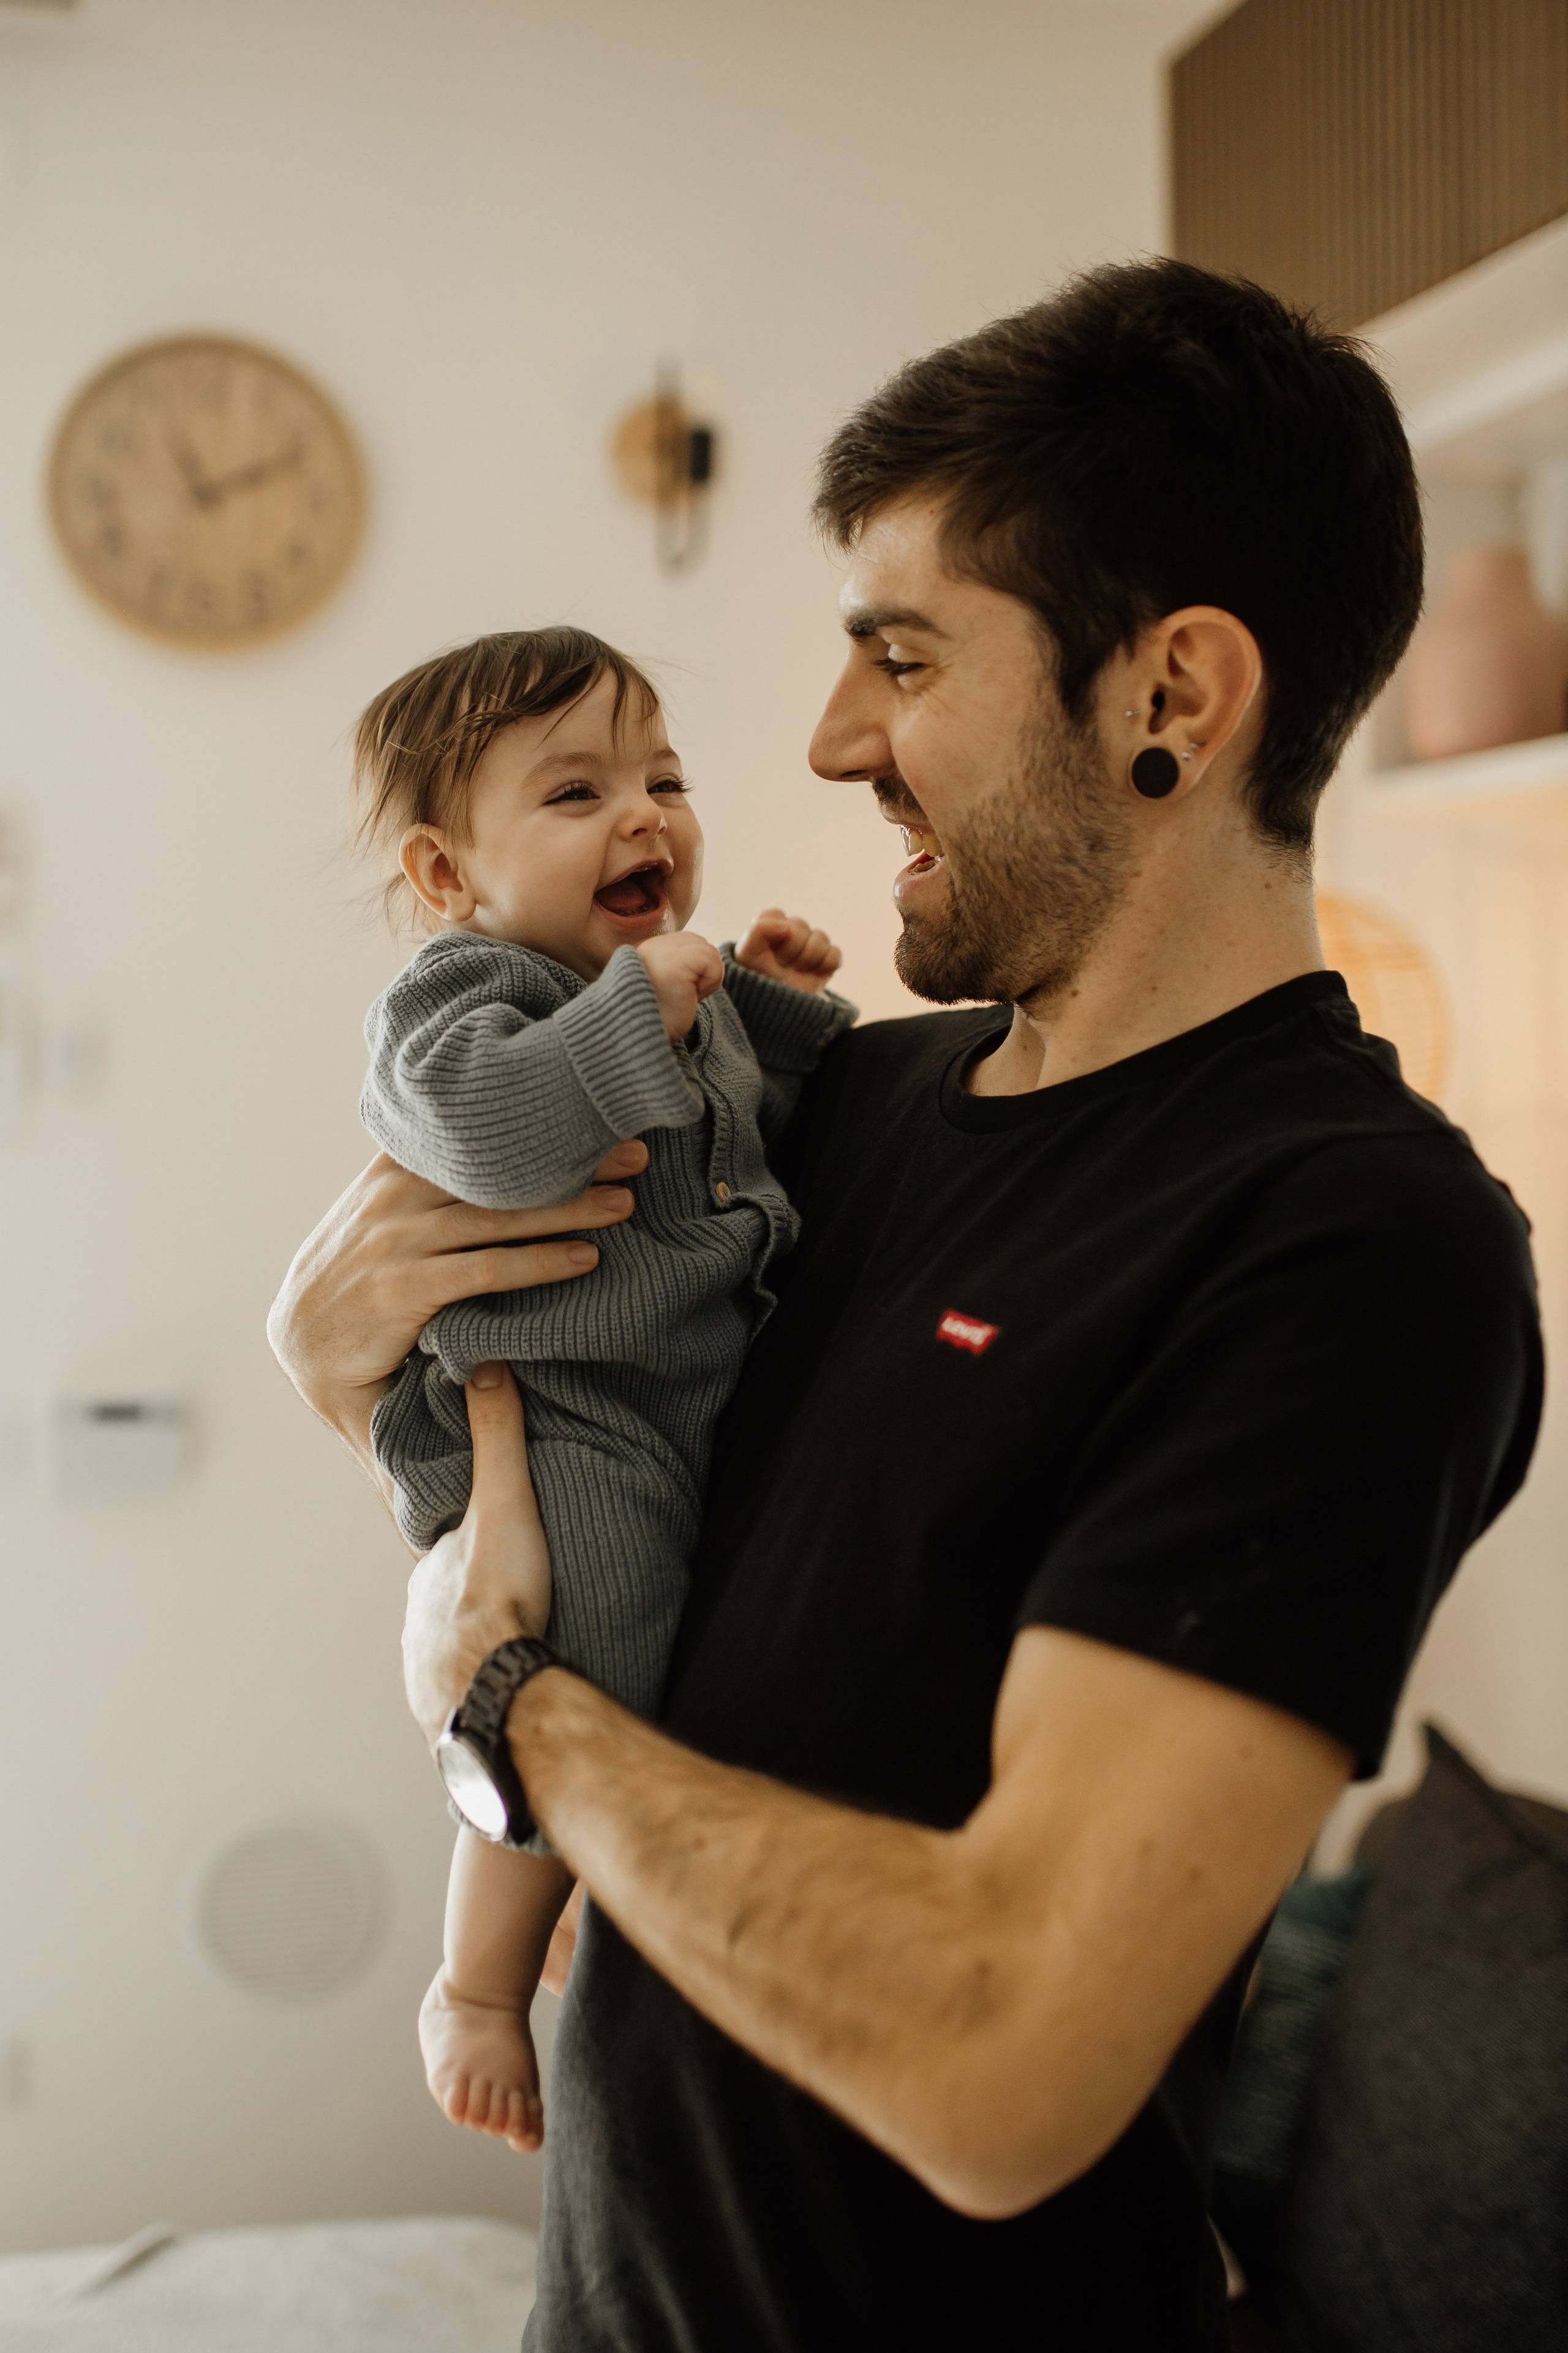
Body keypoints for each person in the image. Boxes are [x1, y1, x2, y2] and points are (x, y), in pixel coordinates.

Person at [270, 262, 1544, 2351]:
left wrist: (517, 1728)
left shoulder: (1350, 1242)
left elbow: (1002, 2053)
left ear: (1174, 697)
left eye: (904, 654)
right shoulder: (842, 1100)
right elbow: (603, 1482)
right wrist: (353, 1379)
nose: (833, 737)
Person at [350, 625, 853, 2156]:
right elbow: (495, 1137)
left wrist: (774, 997)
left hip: (660, 1403)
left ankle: (567, 1879)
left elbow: (767, 1107)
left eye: (664, 779)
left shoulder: (637, 986)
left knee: (677, 1651)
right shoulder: (456, 1001)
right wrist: (652, 1003)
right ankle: (476, 1984)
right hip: (554, 1404)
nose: (644, 817)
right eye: (575, 792)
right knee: (595, 1644)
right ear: (449, 874)